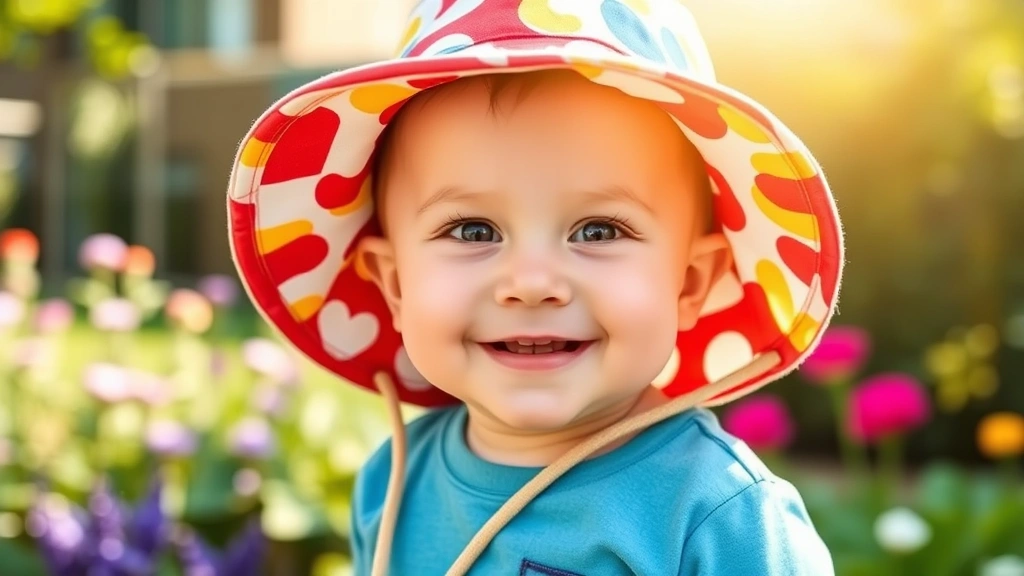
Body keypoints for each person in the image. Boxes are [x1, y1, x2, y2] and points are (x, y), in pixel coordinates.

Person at [225, 1, 844, 574]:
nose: (531, 284)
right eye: (472, 229)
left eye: (599, 229)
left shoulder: (721, 517)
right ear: (395, 285)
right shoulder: (392, 483)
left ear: (688, 284)